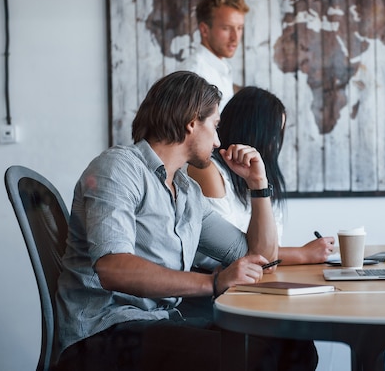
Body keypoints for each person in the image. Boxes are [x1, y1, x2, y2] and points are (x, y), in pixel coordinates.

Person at [54, 71, 317, 371]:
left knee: (294, 345)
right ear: (192, 122)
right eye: (215, 126)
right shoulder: (118, 168)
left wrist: (258, 184)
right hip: (104, 333)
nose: (219, 140)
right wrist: (214, 282)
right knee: (254, 358)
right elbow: (113, 267)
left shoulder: (188, 192)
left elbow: (260, 257)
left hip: (162, 324)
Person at [188, 86, 335, 267]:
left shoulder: (259, 173)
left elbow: (270, 248)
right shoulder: (208, 170)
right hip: (218, 284)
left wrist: (259, 183)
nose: (275, 144)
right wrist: (302, 254)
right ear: (253, 130)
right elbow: (237, 254)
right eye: (274, 135)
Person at [179, 0, 249, 111]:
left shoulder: (220, 66)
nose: (235, 37)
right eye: (226, 28)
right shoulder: (194, 75)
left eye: (239, 28)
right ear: (204, 30)